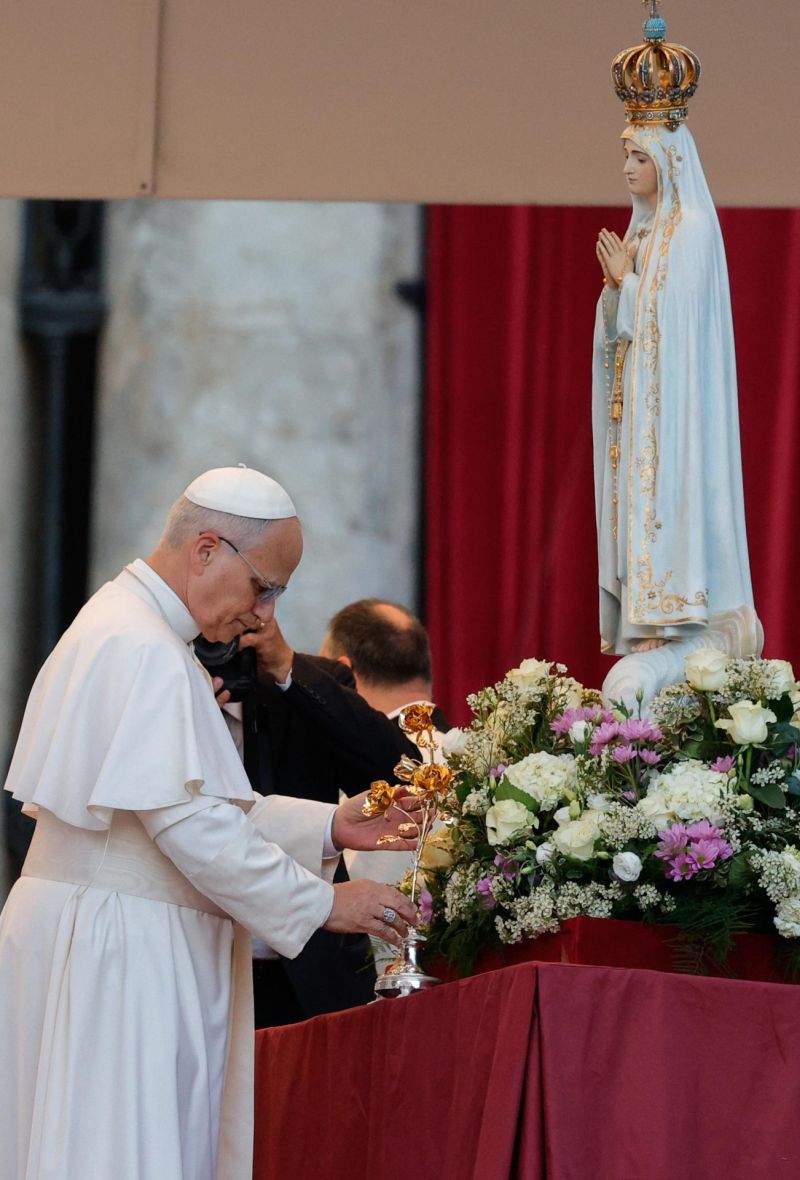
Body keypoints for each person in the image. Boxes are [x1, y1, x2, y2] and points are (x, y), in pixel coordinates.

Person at [0, 465, 418, 1180]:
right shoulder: (144, 649)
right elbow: (191, 826)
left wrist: (330, 826)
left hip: (109, 937)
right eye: (263, 586)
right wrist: (324, 903)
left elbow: (185, 805)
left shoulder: (134, 633)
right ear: (206, 551)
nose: (263, 614)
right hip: (120, 955)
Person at [592, 14, 755, 660]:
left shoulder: (690, 231)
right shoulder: (646, 229)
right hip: (644, 412)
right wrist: (617, 290)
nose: (628, 168)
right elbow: (628, 328)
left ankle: (678, 608)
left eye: (640, 157)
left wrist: (626, 284)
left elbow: (676, 329)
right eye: (626, 156)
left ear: (667, 160)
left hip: (676, 413)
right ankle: (651, 618)